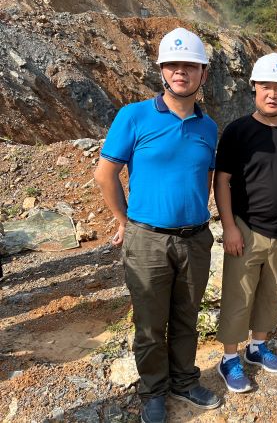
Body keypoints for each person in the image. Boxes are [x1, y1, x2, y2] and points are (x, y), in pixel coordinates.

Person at [94, 27, 220, 423]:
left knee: (187, 317)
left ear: (203, 73)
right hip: (147, 240)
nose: (181, 71)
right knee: (149, 324)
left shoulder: (208, 127)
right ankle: (153, 391)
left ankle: (184, 380)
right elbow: (105, 175)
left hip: (195, 239)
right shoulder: (134, 116)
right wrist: (125, 221)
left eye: (190, 65)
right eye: (172, 64)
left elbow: (206, 179)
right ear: (162, 70)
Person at [214, 53, 277, 393]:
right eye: (266, 86)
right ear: (254, 88)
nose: (273, 94)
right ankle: (229, 358)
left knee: (272, 292)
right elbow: (222, 181)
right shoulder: (238, 131)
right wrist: (229, 227)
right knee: (238, 295)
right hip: (247, 228)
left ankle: (257, 347)